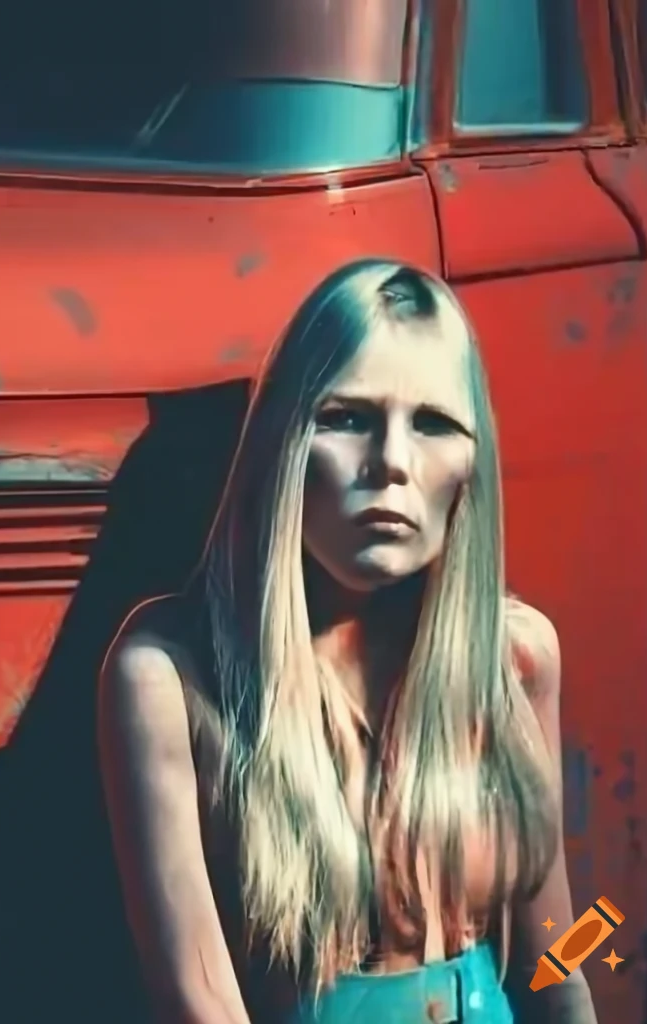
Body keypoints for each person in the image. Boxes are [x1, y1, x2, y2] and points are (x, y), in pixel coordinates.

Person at [97, 259, 598, 1023]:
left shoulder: (519, 658)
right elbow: (196, 999)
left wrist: (604, 971)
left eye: (434, 423)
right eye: (346, 416)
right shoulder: (169, 673)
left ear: (474, 463)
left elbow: (562, 947)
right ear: (282, 443)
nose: (392, 461)